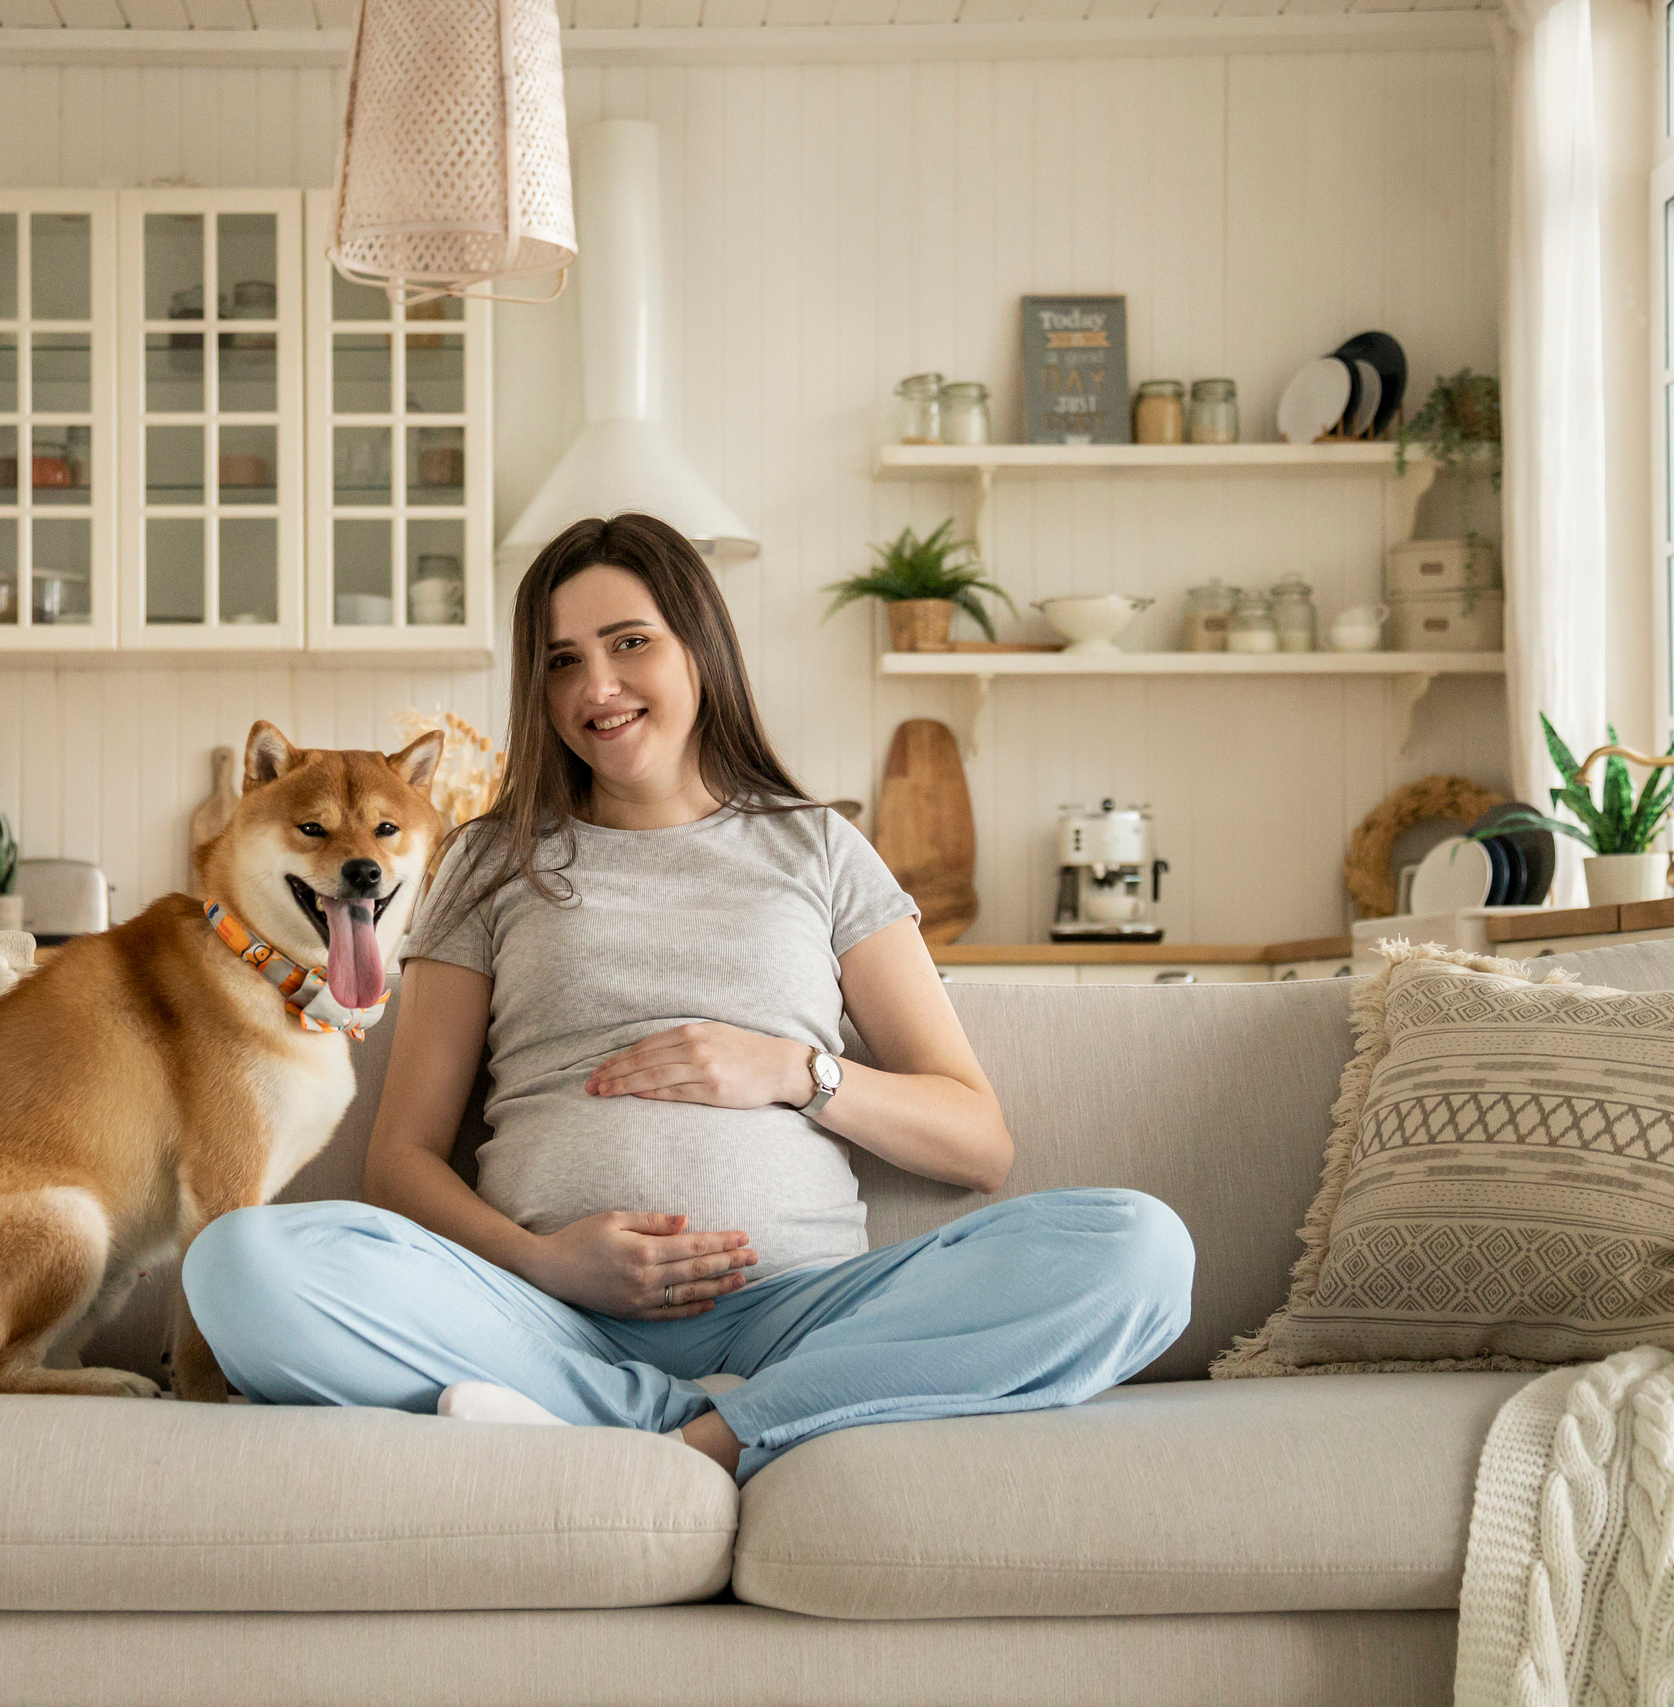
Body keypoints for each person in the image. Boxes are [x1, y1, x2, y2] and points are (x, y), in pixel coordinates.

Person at [181, 513, 1193, 1482]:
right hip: (547, 1317)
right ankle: (740, 1423)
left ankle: (676, 1436)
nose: (598, 685)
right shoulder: (490, 861)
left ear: (698, 649)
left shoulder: (818, 847)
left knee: (1137, 1250)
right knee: (237, 1267)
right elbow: (400, 1160)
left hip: (802, 1315)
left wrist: (800, 1073)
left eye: (630, 642)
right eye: (562, 660)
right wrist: (547, 1264)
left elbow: (979, 1145)